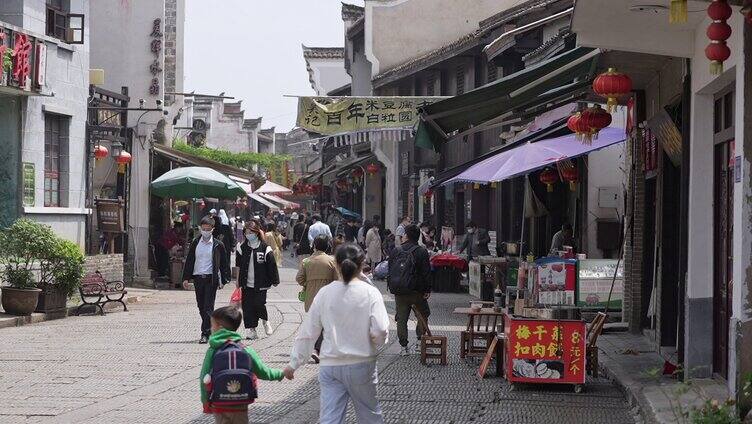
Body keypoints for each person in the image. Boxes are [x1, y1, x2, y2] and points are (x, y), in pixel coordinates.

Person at [284, 244, 389, 424]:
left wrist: (293, 363)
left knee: (330, 419)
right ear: (362, 264)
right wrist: (375, 341)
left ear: (337, 265)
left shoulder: (325, 293)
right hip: (361, 363)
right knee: (370, 416)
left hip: (331, 364)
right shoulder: (371, 292)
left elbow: (308, 332)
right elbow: (380, 330)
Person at [200, 306, 288, 424]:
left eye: (212, 325)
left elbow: (203, 377)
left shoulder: (213, 350)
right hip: (241, 401)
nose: (211, 328)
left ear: (219, 328)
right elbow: (263, 371)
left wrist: (205, 401)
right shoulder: (245, 349)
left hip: (219, 401)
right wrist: (280, 374)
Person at [182, 216, 231, 343]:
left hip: (211, 278)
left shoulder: (218, 245)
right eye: (203, 229)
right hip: (198, 278)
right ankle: (212, 327)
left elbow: (224, 263)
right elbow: (190, 261)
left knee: (208, 307)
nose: (205, 231)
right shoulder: (195, 243)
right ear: (200, 228)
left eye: (208, 229)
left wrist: (225, 279)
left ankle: (205, 333)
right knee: (201, 306)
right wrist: (186, 278)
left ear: (212, 229)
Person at [387, 224, 432, 356]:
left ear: (406, 235)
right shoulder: (421, 251)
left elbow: (390, 270)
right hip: (416, 291)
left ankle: (403, 347)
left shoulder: (396, 251)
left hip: (399, 291)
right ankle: (419, 342)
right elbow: (426, 272)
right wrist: (427, 289)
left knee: (401, 318)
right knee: (423, 314)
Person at [295, 235, 338, 363]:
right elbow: (338, 279)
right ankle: (318, 349)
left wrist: (309, 283)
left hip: (311, 298)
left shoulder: (306, 261)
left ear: (314, 246)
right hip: (327, 297)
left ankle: (314, 349)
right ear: (328, 246)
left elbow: (299, 278)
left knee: (314, 324)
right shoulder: (332, 261)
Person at [236, 222, 279, 340]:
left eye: (251, 232)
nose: (249, 234)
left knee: (259, 304)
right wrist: (238, 280)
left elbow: (272, 265)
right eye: (247, 232)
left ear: (256, 232)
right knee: (248, 307)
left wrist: (275, 280)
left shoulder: (265, 247)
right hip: (246, 283)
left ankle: (265, 321)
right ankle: (252, 330)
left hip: (261, 283)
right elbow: (238, 265)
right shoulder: (242, 247)